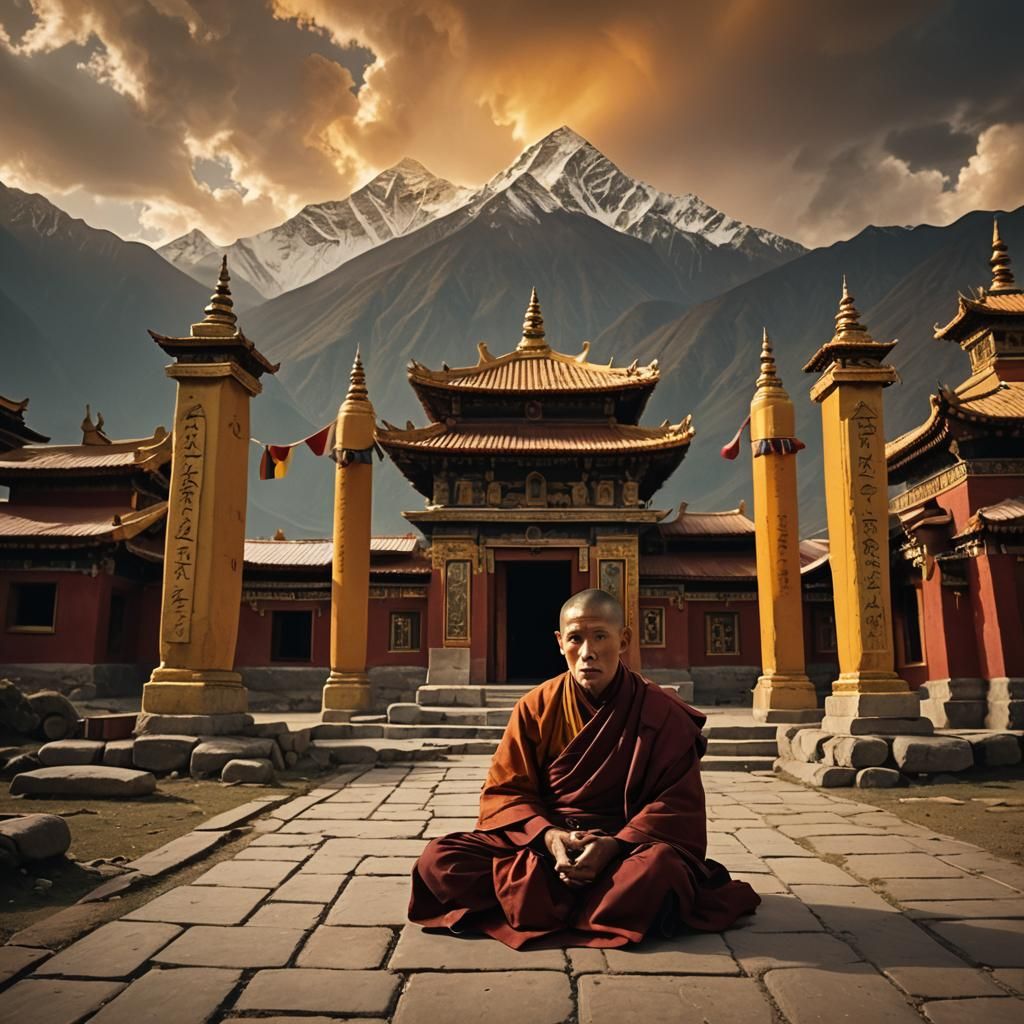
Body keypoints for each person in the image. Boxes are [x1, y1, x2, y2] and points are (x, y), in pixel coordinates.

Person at [407, 588, 760, 949]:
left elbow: (675, 806)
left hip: (624, 851)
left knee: (659, 869)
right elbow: (506, 792)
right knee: (439, 859)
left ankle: (542, 907)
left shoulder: (660, 712)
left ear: (624, 641)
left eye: (601, 637)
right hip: (544, 850)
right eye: (575, 638)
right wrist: (550, 837)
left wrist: (612, 845)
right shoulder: (535, 706)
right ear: (560, 643)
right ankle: (598, 911)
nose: (587, 652)